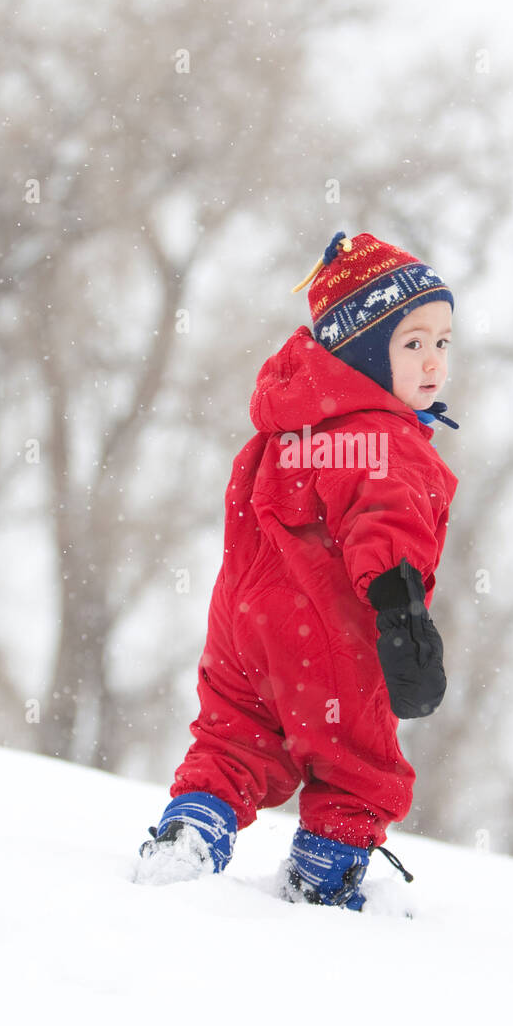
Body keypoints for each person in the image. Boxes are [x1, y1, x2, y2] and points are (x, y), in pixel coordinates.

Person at [136, 231, 459, 911]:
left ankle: (190, 835)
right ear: (365, 353)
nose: (434, 361)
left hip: (240, 633)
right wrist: (401, 615)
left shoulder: (281, 432)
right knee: (356, 765)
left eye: (443, 342)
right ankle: (323, 876)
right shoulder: (385, 440)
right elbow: (387, 523)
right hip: (331, 639)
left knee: (230, 742)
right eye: (412, 343)